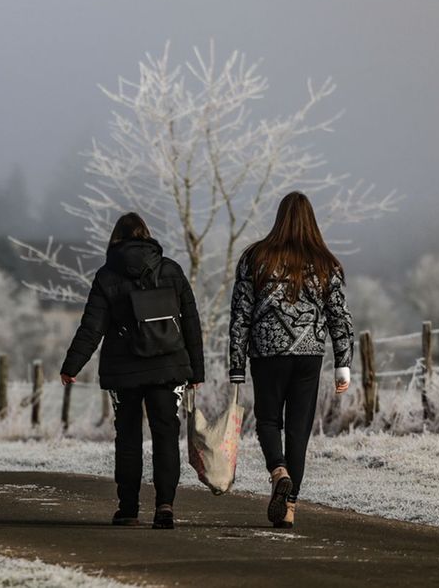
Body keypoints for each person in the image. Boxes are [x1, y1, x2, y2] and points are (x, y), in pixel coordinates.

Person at [61, 213, 204, 530]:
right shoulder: (171, 270)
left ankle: (128, 509)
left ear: (115, 239)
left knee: (128, 437)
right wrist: (197, 370)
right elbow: (191, 322)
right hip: (169, 366)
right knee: (166, 435)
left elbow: (92, 327)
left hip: (124, 370)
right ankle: (165, 507)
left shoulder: (107, 275)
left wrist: (72, 365)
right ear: (147, 236)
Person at [229, 191, 354, 529]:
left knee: (268, 421)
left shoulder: (255, 257)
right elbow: (339, 316)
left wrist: (236, 364)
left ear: (279, 218)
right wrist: (343, 362)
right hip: (309, 355)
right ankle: (289, 509)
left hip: (268, 353)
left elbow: (240, 314)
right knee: (298, 431)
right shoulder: (326, 263)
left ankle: (278, 470)